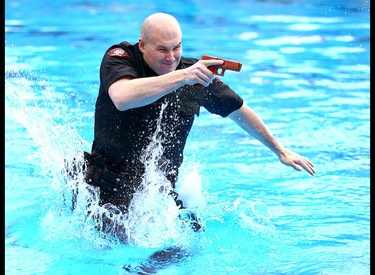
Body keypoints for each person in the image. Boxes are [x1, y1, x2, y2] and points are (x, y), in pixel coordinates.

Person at [82, 12, 315, 240]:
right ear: (142, 45)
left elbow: (238, 110)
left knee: (189, 245)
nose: (171, 57)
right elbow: (122, 97)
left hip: (158, 193)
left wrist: (279, 150)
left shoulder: (194, 75)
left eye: (177, 47)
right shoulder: (120, 57)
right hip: (107, 188)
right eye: (162, 49)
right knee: (119, 250)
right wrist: (183, 77)